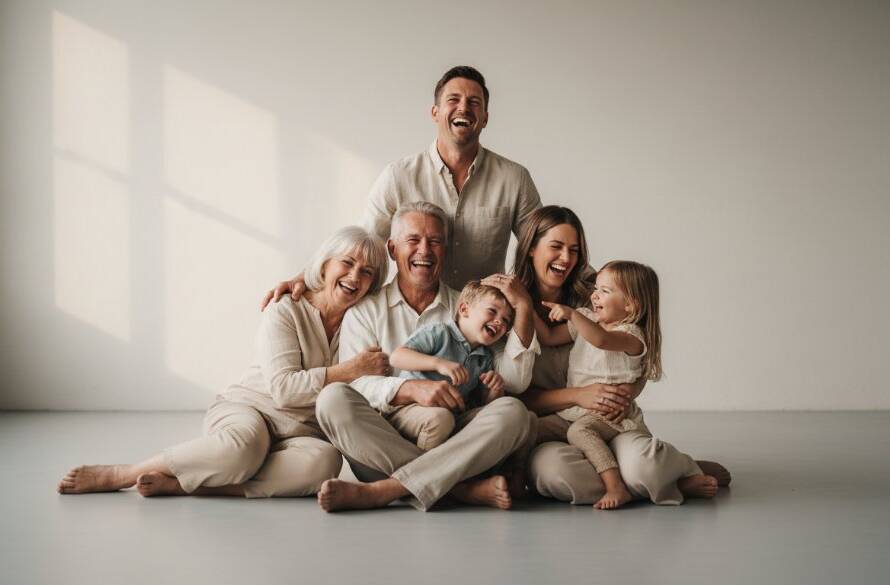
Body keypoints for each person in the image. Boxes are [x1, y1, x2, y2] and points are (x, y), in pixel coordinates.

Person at [57, 227, 390, 499]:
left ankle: (196, 487)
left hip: (302, 431)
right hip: (251, 409)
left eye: (366, 272)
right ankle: (124, 473)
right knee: (244, 449)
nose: (354, 276)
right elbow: (285, 391)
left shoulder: (362, 324)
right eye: (346, 263)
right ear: (324, 266)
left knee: (324, 462)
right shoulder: (287, 308)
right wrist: (349, 371)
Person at [313, 202, 539, 512]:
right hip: (385, 436)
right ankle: (461, 489)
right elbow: (358, 385)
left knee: (514, 412)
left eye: (435, 242)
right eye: (413, 240)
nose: (425, 250)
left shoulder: (473, 306)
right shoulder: (366, 309)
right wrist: (409, 389)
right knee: (331, 399)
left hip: (452, 434)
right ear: (392, 249)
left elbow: (514, 381)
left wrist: (524, 309)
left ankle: (387, 490)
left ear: (445, 250)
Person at [261, 65, 542, 308]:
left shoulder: (514, 179)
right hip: (413, 318)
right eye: (453, 99)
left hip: (485, 324)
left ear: (485, 117)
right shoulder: (399, 176)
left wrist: (584, 286)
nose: (463, 108)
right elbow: (364, 242)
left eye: (474, 102)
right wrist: (304, 277)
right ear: (435, 112)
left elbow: (544, 247)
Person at [508, 206, 731, 505]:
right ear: (531, 247)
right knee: (555, 473)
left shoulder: (593, 301)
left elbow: (613, 346)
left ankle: (661, 472)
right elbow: (536, 357)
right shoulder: (506, 304)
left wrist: (628, 390)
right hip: (565, 418)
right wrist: (524, 305)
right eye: (556, 247)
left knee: (642, 464)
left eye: (574, 249)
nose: (566, 258)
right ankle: (650, 480)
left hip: (610, 418)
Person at [534, 260, 719, 509]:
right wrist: (522, 305)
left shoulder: (631, 336)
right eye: (596, 288)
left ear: (631, 304)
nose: (594, 295)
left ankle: (618, 487)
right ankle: (663, 481)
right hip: (575, 411)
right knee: (534, 428)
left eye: (604, 291)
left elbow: (601, 340)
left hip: (610, 417)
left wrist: (571, 314)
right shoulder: (587, 320)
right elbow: (548, 336)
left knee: (579, 432)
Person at [389, 280, 515, 448]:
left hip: (451, 419)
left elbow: (484, 404)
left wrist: (495, 391)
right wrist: (438, 363)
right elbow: (397, 357)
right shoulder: (440, 333)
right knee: (441, 419)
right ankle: (423, 472)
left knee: (504, 415)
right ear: (464, 310)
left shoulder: (485, 359)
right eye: (492, 311)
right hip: (409, 409)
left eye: (506, 321)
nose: (499, 322)